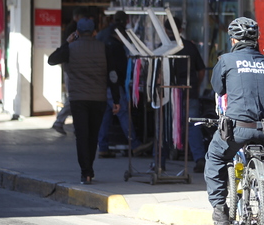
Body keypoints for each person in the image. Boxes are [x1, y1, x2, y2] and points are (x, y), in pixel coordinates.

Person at [205, 17, 264, 225]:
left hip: (237, 129)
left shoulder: (227, 60)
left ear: (233, 40)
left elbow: (219, 89)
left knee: (216, 156)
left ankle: (220, 207)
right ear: (256, 39)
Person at [48, 15, 121, 184]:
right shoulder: (104, 48)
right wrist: (116, 99)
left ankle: (86, 172)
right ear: (95, 32)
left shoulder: (70, 49)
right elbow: (113, 75)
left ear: (77, 32)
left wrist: (67, 42)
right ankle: (90, 168)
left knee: (81, 135)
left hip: (78, 99)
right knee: (93, 135)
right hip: (99, 99)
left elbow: (52, 60)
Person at [96, 11, 150, 158]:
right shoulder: (116, 45)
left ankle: (103, 147)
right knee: (124, 113)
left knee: (106, 116)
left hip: (99, 83)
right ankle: (135, 145)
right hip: (111, 84)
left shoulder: (101, 35)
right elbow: (118, 68)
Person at [161, 17, 208, 173]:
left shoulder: (162, 49)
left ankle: (160, 162)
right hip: (189, 92)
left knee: (167, 126)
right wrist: (196, 85)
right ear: (181, 29)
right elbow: (201, 70)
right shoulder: (189, 47)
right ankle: (199, 158)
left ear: (165, 30)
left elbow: (159, 74)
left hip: (169, 94)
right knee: (193, 126)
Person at [52, 8, 82, 135]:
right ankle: (60, 121)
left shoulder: (71, 30)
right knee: (73, 98)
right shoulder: (74, 31)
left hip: (71, 70)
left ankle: (75, 125)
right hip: (73, 70)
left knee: (75, 98)